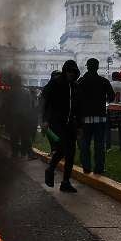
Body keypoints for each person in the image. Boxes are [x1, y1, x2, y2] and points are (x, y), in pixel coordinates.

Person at [41, 60, 79, 192]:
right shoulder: (55, 83)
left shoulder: (74, 86)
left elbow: (77, 105)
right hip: (57, 121)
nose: (71, 74)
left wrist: (79, 123)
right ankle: (50, 169)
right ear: (65, 71)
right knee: (62, 148)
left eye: (73, 72)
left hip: (71, 123)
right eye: (69, 71)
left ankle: (66, 182)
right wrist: (45, 120)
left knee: (71, 153)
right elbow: (45, 102)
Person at [75, 58, 112, 174]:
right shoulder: (104, 81)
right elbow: (111, 97)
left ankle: (86, 167)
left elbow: (75, 100)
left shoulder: (80, 82)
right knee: (99, 144)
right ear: (97, 67)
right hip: (100, 117)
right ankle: (99, 168)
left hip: (84, 118)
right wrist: (101, 100)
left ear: (87, 67)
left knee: (85, 144)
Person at [107, 70, 121, 152]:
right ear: (119, 77)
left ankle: (108, 146)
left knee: (108, 128)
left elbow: (107, 97)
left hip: (111, 107)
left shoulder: (109, 84)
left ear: (112, 77)